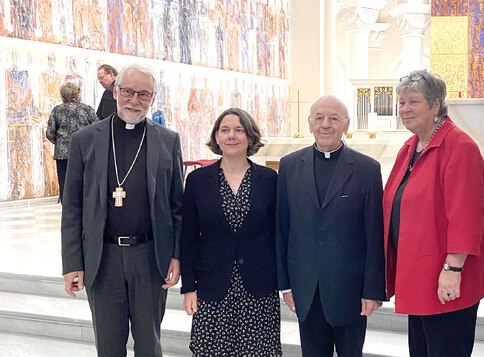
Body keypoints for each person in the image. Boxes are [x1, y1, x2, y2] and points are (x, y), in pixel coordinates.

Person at [61, 63, 184, 356]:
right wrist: (72, 262)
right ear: (116, 92)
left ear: (152, 99)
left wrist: (177, 254)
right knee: (108, 345)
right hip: (103, 259)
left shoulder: (167, 141)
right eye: (128, 92)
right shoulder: (85, 140)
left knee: (149, 345)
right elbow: (73, 207)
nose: (134, 100)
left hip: (150, 257)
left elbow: (178, 205)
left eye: (144, 95)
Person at [383, 69, 484, 357]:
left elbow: (466, 216)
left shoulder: (460, 147)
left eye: (413, 102)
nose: (405, 109)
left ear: (435, 106)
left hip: (445, 278)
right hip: (417, 274)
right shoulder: (410, 147)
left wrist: (453, 269)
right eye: (401, 103)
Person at [276, 95, 386, 357]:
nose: (326, 124)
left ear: (346, 124)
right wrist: (286, 285)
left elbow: (374, 233)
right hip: (306, 288)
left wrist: (372, 289)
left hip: (350, 288)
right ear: (310, 122)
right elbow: (282, 228)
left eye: (334, 118)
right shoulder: (290, 166)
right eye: (319, 118)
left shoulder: (366, 169)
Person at [180, 108, 282, 356]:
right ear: (216, 137)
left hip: (258, 287)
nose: (231, 136)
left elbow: (279, 234)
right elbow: (189, 238)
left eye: (239, 130)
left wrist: (286, 283)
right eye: (224, 130)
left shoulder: (270, 180)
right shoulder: (198, 181)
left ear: (250, 136)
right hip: (212, 286)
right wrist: (189, 288)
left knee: (258, 351)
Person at [46, 82, 98, 202]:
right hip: (84, 152)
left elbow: (50, 133)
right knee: (84, 182)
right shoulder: (87, 109)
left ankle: (67, 210)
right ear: (77, 93)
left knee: (65, 183)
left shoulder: (56, 110)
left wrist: (60, 143)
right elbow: (97, 129)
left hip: (62, 154)